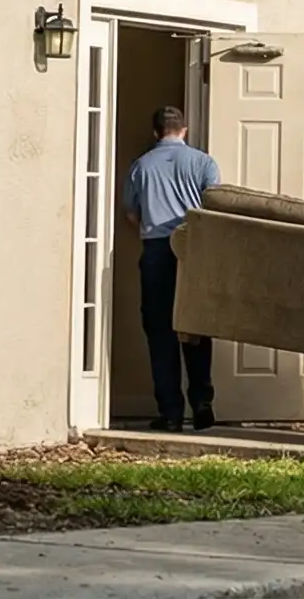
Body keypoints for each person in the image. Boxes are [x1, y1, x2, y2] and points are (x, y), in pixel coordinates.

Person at [123, 104, 221, 432]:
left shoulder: (140, 166)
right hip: (193, 250)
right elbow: (214, 208)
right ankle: (202, 402)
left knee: (160, 331)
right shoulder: (203, 162)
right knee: (196, 326)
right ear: (184, 130)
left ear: (155, 133)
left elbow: (132, 214)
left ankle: (171, 413)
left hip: (156, 251)